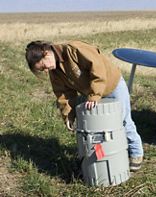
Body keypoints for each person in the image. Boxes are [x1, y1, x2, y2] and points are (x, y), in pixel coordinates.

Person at [25, 40, 144, 171]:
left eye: (43, 66)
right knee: (98, 127)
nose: (46, 71)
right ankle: (108, 155)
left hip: (112, 86)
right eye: (42, 70)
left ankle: (136, 153)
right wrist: (68, 116)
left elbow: (98, 67)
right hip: (92, 93)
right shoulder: (55, 72)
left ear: (46, 53)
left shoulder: (74, 49)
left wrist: (94, 94)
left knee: (123, 121)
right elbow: (64, 95)